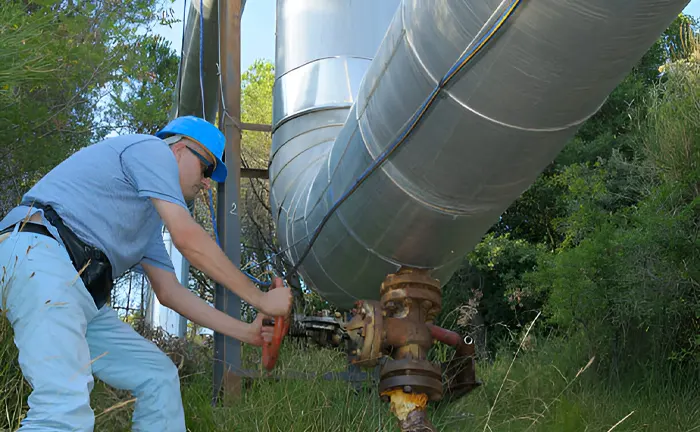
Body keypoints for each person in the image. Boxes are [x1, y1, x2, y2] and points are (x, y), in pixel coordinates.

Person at [0, 115, 293, 431]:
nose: (207, 182)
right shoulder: (151, 150)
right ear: (180, 149)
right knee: (62, 407)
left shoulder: (147, 223)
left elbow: (171, 293)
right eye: (206, 168)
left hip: (75, 290)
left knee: (158, 376)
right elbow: (186, 237)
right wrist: (261, 299)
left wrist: (246, 333)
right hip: (39, 255)